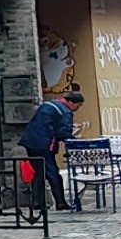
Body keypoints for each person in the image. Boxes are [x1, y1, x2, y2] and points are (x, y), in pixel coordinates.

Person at [21, 84, 77, 212]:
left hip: (30, 142)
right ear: (72, 103)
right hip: (45, 144)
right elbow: (63, 133)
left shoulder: (48, 105)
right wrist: (74, 141)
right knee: (53, 174)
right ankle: (61, 203)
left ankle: (37, 202)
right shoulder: (65, 111)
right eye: (78, 106)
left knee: (39, 172)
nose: (77, 109)